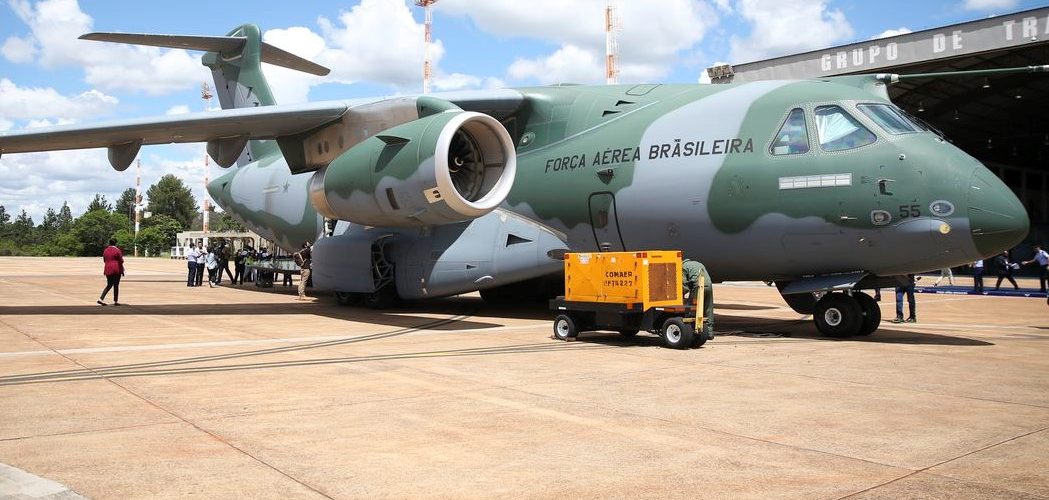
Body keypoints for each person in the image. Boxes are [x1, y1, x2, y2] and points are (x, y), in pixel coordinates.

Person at [681, 258, 714, 338]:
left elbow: (684, 286)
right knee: (708, 309)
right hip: (709, 285)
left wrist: (681, 296)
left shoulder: (683, 267)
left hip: (698, 286)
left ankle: (692, 331)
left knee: (692, 309)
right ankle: (710, 333)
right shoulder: (698, 263)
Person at [98, 238, 125, 306]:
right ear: (116, 243)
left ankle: (101, 299)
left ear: (109, 243)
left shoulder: (105, 250)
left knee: (109, 284)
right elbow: (121, 260)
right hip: (116, 269)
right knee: (116, 285)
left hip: (107, 269)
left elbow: (104, 259)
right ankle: (115, 301)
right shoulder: (117, 250)